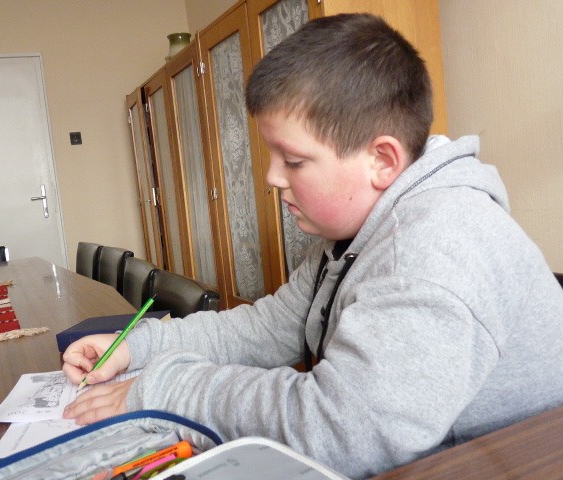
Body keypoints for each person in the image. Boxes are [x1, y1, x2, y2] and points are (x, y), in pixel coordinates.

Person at [62, 13, 563, 479]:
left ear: (381, 160)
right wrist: (138, 347)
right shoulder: (349, 234)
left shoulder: (435, 247)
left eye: (294, 161)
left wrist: (166, 388)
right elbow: (268, 328)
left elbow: (345, 432)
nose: (272, 177)